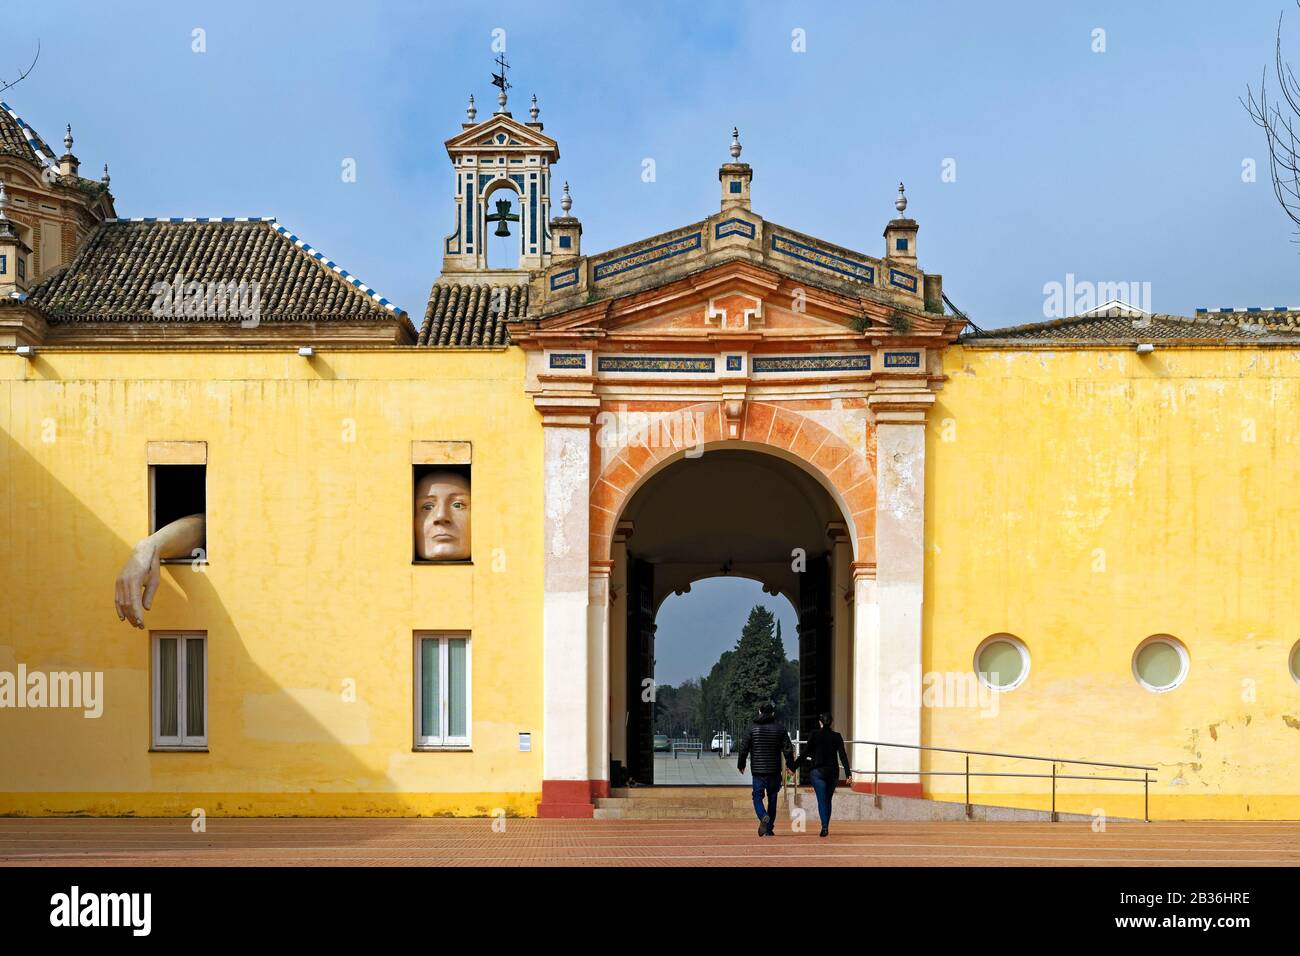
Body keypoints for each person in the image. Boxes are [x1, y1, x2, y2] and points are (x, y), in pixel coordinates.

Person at [736, 701, 795, 837]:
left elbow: (743, 748)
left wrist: (741, 764)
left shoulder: (751, 728)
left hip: (758, 770)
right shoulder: (780, 729)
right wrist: (791, 766)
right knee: (772, 798)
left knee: (757, 796)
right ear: (773, 713)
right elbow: (788, 749)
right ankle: (768, 829)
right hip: (774, 770)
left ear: (759, 711)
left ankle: (763, 816)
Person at [798, 711, 852, 837]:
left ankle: (824, 827)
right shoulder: (837, 736)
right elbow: (843, 756)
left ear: (820, 722)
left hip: (818, 772)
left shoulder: (814, 734)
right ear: (831, 722)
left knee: (822, 801)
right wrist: (848, 774)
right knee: (828, 800)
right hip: (833, 772)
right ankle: (826, 826)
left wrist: (793, 766)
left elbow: (805, 753)